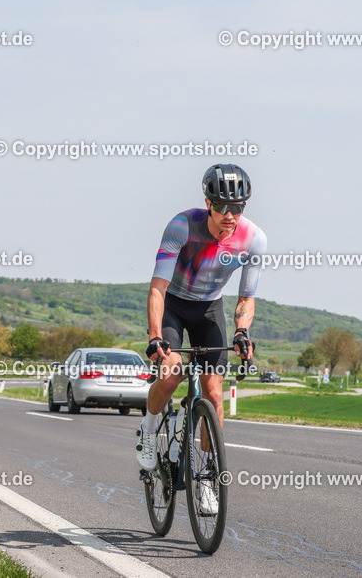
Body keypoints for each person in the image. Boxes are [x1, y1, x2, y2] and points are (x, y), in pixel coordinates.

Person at [136, 163, 267, 513]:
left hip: (210, 309)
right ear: (207, 202)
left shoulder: (253, 239)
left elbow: (246, 298)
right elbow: (157, 288)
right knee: (172, 372)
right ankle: (148, 431)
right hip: (174, 305)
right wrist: (154, 336)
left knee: (213, 392)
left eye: (237, 207)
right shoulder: (182, 226)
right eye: (222, 206)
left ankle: (206, 479)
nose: (230, 214)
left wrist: (242, 331)